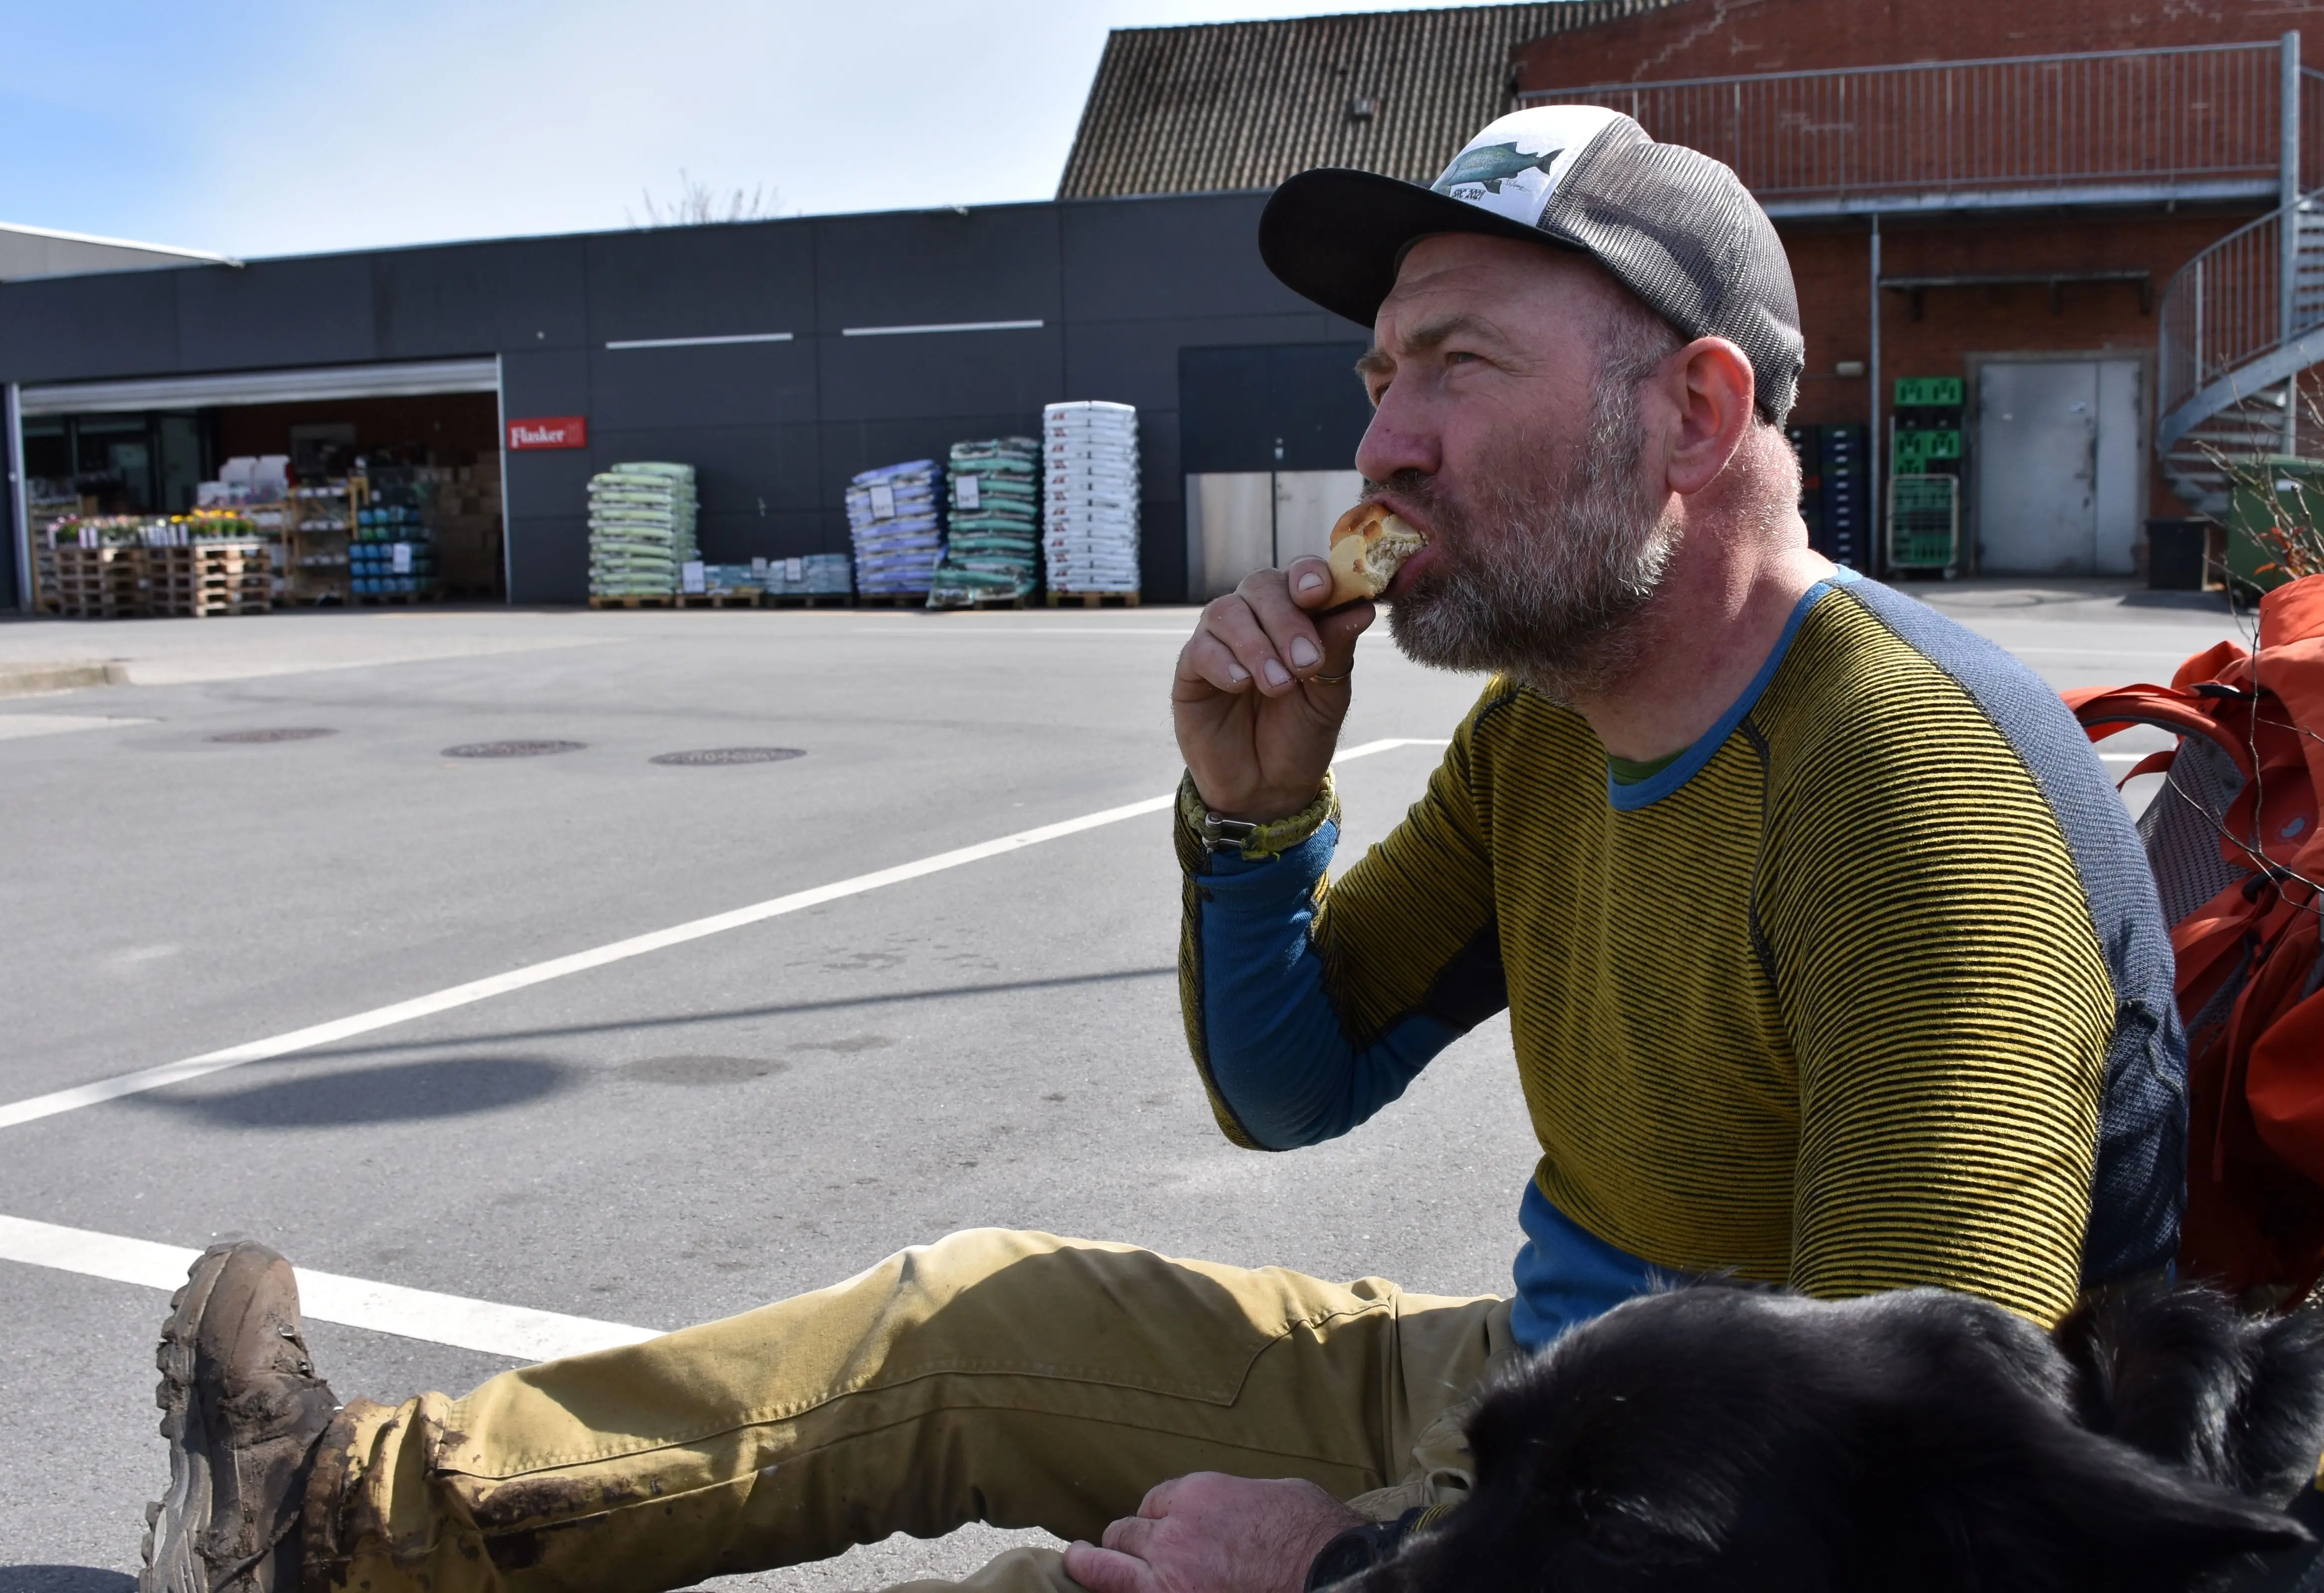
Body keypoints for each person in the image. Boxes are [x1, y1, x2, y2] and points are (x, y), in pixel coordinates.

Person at [137, 106, 2186, 1593]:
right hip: (1553, 1382)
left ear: (1695, 406)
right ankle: (324, 1518)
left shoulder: (1906, 785)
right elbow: (1287, 1089)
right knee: (968, 1318)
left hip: (1678, 1501)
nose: (1380, 437)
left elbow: (1880, 1512)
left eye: (1459, 363)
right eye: (1381, 371)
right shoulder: (1543, 737)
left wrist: (1345, 1565)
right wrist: (1251, 809)